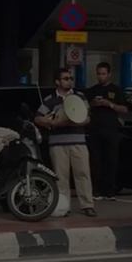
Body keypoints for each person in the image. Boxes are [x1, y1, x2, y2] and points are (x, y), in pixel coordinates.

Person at [35, 68, 96, 217]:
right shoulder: (49, 100)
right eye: (66, 78)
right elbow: (37, 117)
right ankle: (64, 206)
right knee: (61, 177)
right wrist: (50, 122)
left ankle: (87, 205)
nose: (69, 81)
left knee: (83, 174)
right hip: (57, 144)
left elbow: (87, 117)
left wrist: (75, 121)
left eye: (70, 78)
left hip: (78, 142)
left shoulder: (80, 97)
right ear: (57, 81)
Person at [86, 62, 128, 201]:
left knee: (111, 160)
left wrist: (109, 104)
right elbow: (84, 108)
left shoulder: (116, 90)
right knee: (95, 161)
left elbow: (124, 109)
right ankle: (96, 191)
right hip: (94, 130)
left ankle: (109, 191)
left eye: (103, 74)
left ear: (109, 74)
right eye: (98, 74)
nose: (101, 76)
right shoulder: (92, 90)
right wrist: (93, 104)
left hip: (111, 130)